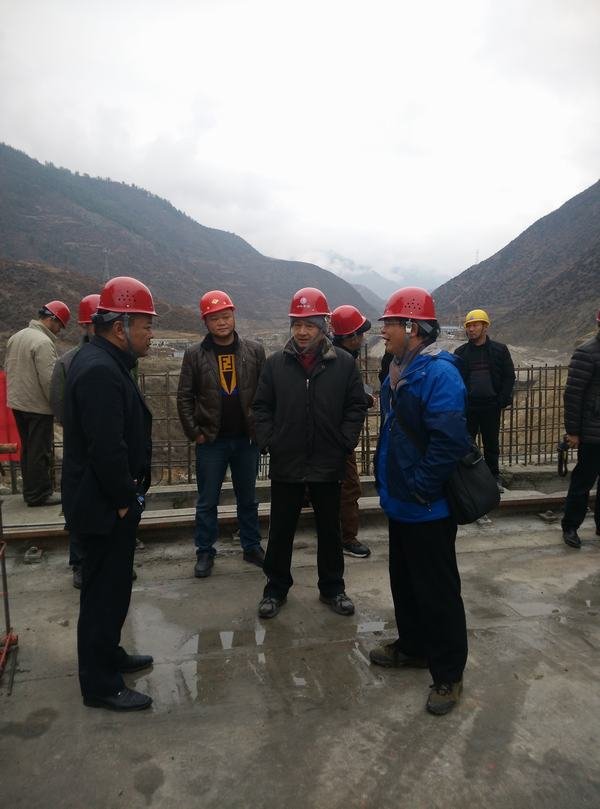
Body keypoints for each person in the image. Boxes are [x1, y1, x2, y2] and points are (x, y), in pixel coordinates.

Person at [369, 287, 472, 716]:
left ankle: (448, 674)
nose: (384, 332)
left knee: (438, 591)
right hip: (402, 502)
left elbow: (448, 443)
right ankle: (413, 647)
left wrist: (421, 487)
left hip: (427, 505)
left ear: (412, 327)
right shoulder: (397, 369)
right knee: (406, 581)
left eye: (390, 324)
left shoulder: (439, 374)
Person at [62, 276, 155, 711]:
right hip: (103, 506)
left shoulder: (106, 360)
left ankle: (109, 653)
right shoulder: (100, 370)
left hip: (108, 502)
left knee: (113, 589)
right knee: (101, 595)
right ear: (120, 327)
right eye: (146, 326)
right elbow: (106, 448)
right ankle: (100, 684)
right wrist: (123, 501)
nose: (151, 334)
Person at [252, 287, 367, 619]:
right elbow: (261, 407)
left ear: (323, 326)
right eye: (297, 324)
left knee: (330, 529)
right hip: (287, 461)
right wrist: (271, 440)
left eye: (310, 325)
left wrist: (344, 441)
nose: (302, 332)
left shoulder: (343, 364)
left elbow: (355, 406)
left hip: (328, 461)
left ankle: (333, 588)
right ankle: (275, 589)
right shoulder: (275, 365)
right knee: (281, 529)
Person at [177, 290, 266, 578]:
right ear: (206, 322)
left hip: (245, 440)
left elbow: (265, 394)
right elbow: (184, 397)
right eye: (215, 318)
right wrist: (196, 433)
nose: (222, 322)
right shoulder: (195, 354)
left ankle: (251, 546)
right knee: (207, 501)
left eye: (226, 316)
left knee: (248, 498)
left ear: (233, 316)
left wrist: (261, 430)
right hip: (211, 441)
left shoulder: (254, 351)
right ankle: (205, 551)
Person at [50, 294, 100, 589]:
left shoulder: (124, 360)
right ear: (85, 326)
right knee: (79, 505)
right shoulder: (66, 363)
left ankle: (111, 560)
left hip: (110, 448)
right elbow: (59, 408)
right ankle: (79, 561)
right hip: (81, 450)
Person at [5, 300, 70, 506]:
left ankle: (30, 491)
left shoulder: (17, 336)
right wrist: (60, 408)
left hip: (18, 403)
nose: (59, 330)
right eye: (60, 325)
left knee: (28, 449)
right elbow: (50, 381)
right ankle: (39, 495)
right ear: (52, 319)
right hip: (37, 406)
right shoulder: (43, 342)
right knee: (39, 451)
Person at [454, 309, 515, 490]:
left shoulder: (500, 350)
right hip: (469, 407)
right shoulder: (460, 353)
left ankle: (493, 478)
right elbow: (456, 380)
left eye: (475, 325)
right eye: (469, 326)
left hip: (491, 406)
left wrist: (501, 400)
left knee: (491, 444)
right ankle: (469, 480)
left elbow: (509, 377)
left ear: (485, 327)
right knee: (466, 444)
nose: (471, 329)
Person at [330, 304, 373, 558]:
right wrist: (365, 399)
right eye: (361, 333)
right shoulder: (342, 361)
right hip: (339, 437)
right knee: (349, 488)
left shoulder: (331, 356)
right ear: (351, 336)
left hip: (328, 435)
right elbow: (344, 398)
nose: (364, 338)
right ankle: (347, 538)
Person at [561, 308, 600, 548]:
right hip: (593, 432)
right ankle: (571, 526)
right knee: (583, 482)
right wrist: (573, 431)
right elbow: (573, 395)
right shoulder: (587, 353)